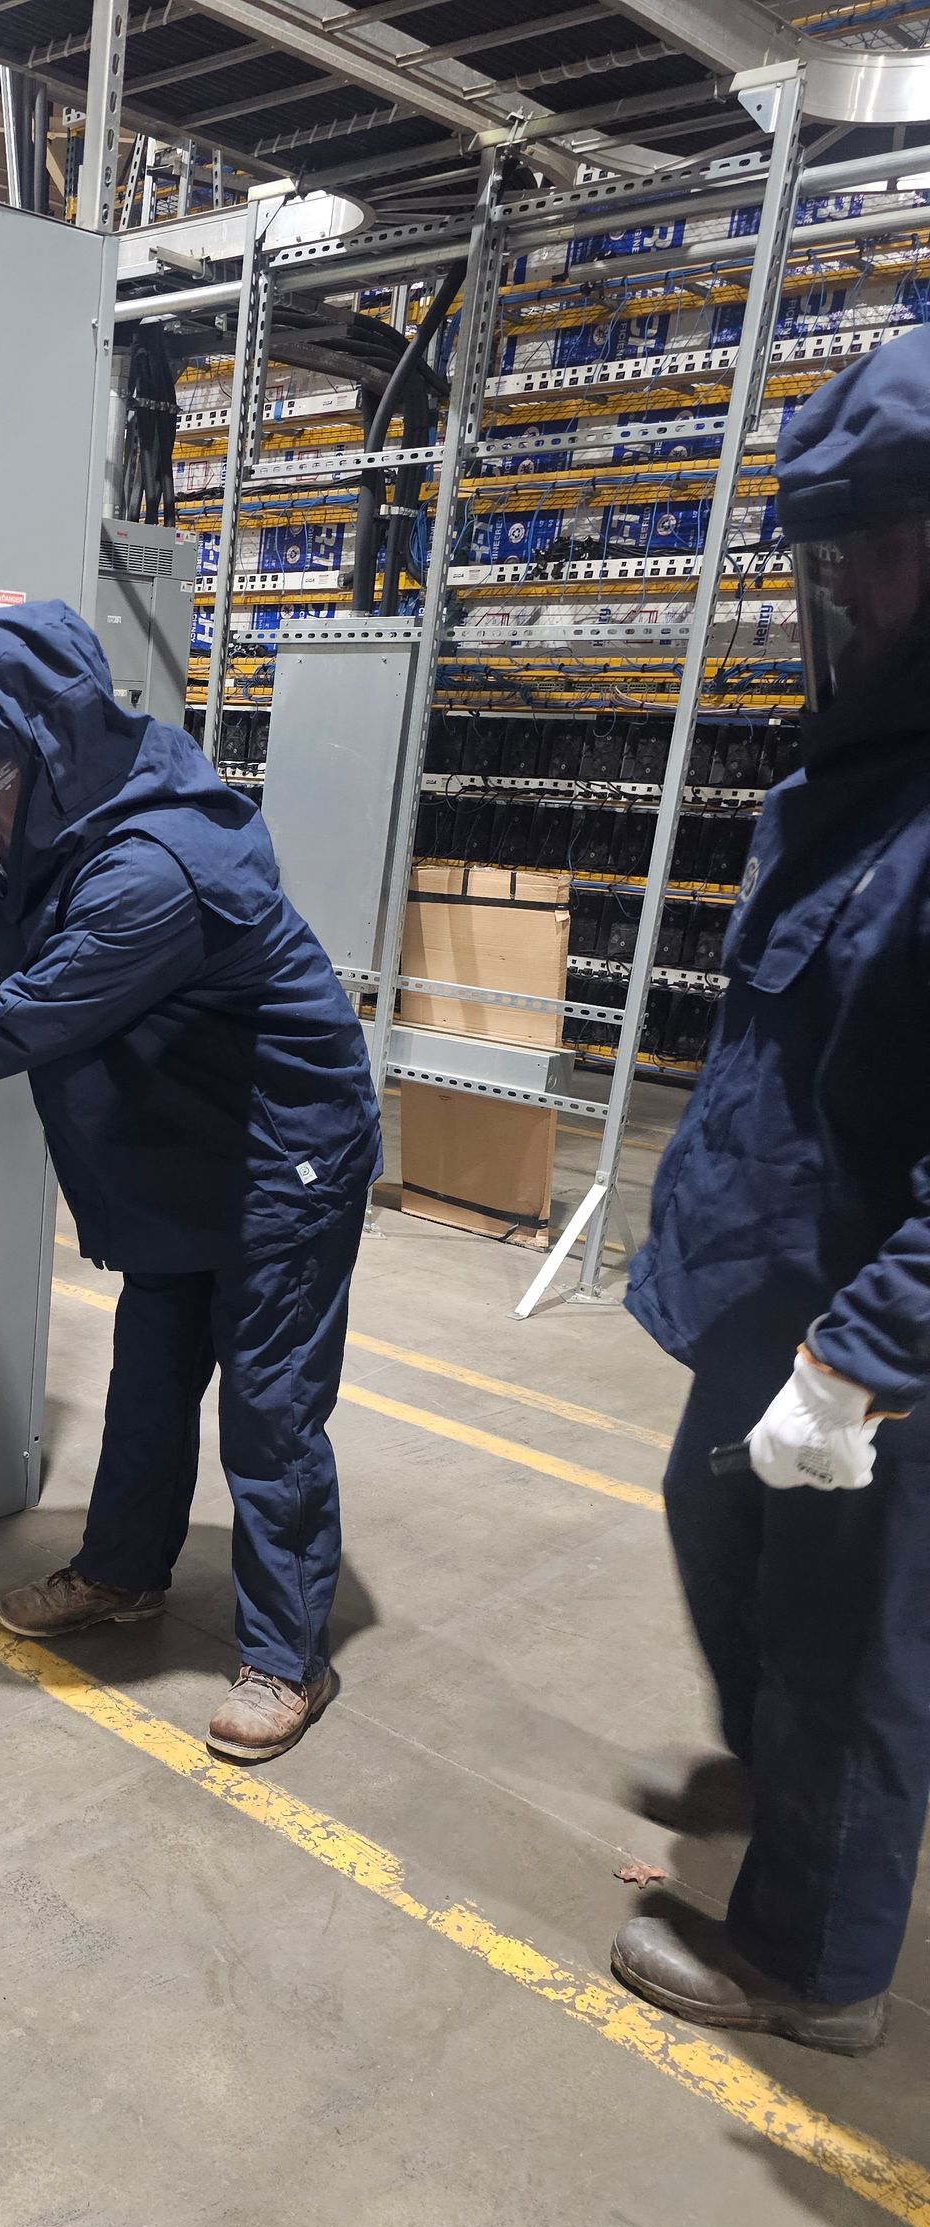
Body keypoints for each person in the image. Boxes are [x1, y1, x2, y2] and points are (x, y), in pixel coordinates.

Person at [0, 601, 381, 1762]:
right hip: (190, 1152)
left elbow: (22, 1020)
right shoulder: (69, 814)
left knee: (269, 1410)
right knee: (150, 1381)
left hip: (280, 1160)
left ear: (47, 746)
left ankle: (286, 1654)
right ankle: (122, 1575)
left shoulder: (156, 865)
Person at [613, 323, 930, 2055]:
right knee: (715, 1519)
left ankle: (816, 1959)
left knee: (850, 1631)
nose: (851, 590)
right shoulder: (871, 770)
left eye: (878, 543)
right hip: (774, 1276)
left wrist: (866, 1355)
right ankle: (806, 1787)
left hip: (862, 1321)